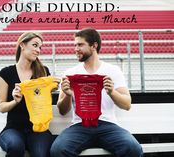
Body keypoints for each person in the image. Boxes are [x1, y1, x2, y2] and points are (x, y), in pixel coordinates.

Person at [50, 28, 143, 157]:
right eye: (75, 45)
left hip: (107, 125)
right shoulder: (70, 73)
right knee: (58, 150)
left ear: (94, 46)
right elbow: (62, 110)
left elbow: (127, 104)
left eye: (80, 45)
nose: (76, 49)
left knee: (133, 149)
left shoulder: (113, 71)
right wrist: (66, 94)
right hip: (79, 125)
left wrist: (112, 92)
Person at [0, 32, 57, 157]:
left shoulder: (43, 71)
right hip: (13, 129)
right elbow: (2, 107)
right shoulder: (6, 73)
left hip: (39, 129)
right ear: (22, 45)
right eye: (35, 45)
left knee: (40, 154)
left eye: (40, 47)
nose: (38, 50)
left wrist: (52, 89)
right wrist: (15, 101)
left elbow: (45, 101)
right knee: (15, 146)